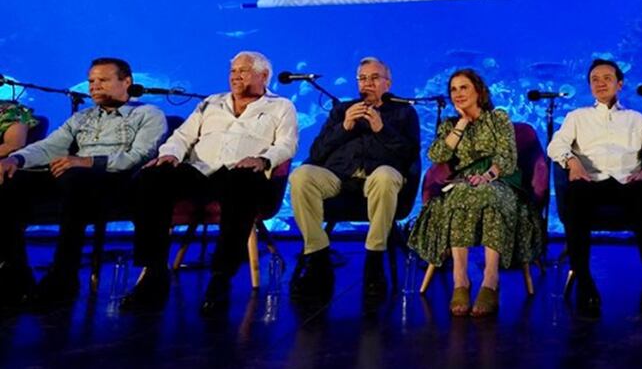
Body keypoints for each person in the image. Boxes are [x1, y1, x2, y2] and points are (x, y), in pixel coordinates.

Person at [120, 51, 297, 315]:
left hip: (242, 174)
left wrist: (263, 159)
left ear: (263, 75)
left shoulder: (281, 106)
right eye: (233, 71)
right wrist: (171, 154)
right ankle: (154, 271)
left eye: (243, 71)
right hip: (200, 172)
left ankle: (220, 277)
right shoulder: (211, 103)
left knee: (242, 183)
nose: (235, 76)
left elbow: (287, 144)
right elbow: (182, 136)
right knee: (150, 177)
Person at [0, 59, 166, 308]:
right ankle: (14, 273)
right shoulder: (83, 117)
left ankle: (63, 276)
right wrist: (15, 158)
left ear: (126, 82)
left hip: (117, 180)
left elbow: (138, 156)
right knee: (11, 180)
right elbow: (49, 146)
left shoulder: (148, 114)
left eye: (103, 80)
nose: (95, 87)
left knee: (75, 178)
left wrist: (87, 161)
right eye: (91, 81)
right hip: (74, 175)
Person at [408, 69, 543, 317]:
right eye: (454, 89)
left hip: (500, 179)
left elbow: (507, 156)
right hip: (463, 182)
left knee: (491, 196)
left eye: (464, 87)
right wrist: (460, 125)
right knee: (460, 198)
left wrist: (488, 176)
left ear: (478, 91)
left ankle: (490, 279)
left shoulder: (497, 119)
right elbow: (437, 156)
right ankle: (461, 279)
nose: (458, 94)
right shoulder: (450, 125)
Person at [289, 57, 420, 303]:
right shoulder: (341, 110)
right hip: (338, 177)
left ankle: (374, 261)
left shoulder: (403, 112)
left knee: (384, 176)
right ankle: (317, 257)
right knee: (301, 176)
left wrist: (382, 129)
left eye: (374, 78)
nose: (367, 83)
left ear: (387, 84)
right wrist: (345, 126)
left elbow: (409, 155)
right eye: (362, 78)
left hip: (378, 177)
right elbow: (316, 153)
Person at [547, 58, 642, 317]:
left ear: (619, 84)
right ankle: (584, 279)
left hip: (628, 183)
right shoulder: (577, 117)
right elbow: (555, 147)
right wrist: (572, 162)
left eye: (606, 78)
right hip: (591, 183)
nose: (600, 83)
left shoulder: (637, 119)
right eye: (594, 79)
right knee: (575, 194)